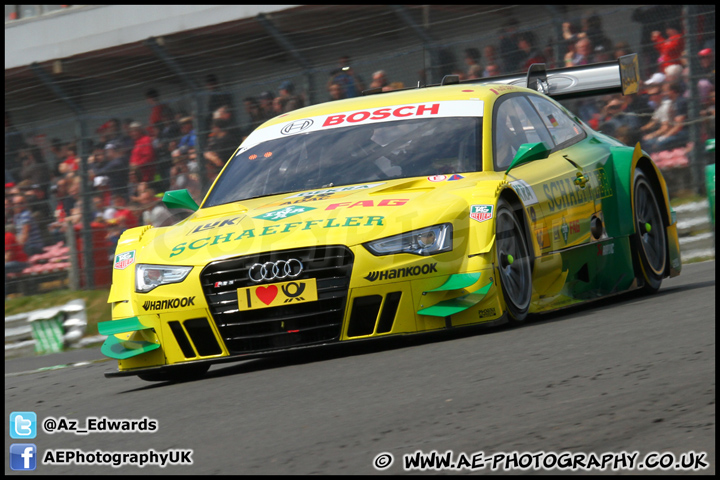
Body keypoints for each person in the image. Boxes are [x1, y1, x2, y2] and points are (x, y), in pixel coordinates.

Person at [642, 82, 689, 153]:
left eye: (666, 91)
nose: (664, 94)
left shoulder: (680, 102)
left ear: (672, 91)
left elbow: (678, 126)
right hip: (674, 132)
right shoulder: (674, 102)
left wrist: (664, 137)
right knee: (648, 142)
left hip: (685, 133)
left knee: (658, 144)